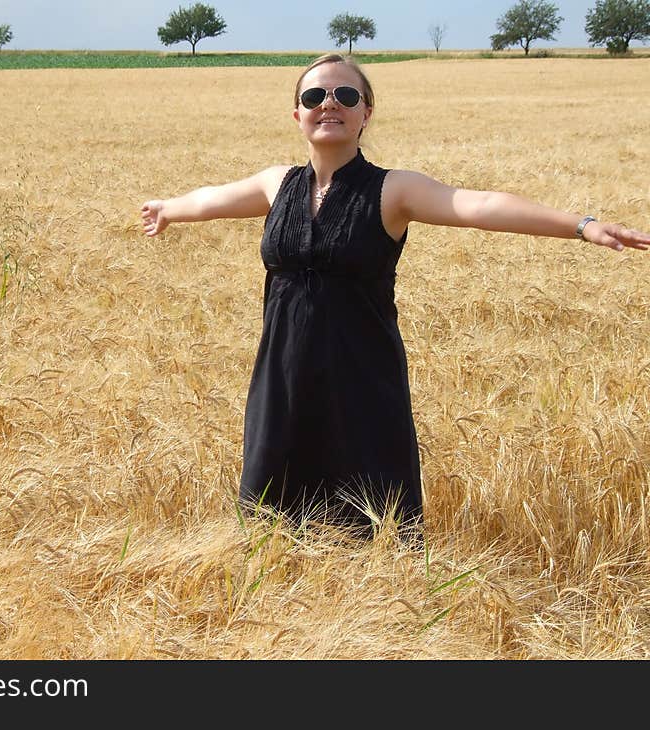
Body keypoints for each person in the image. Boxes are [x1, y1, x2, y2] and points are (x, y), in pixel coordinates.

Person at [140, 53, 649, 535]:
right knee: (272, 521)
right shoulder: (277, 185)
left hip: (362, 380)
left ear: (366, 112)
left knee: (372, 519)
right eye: (315, 95)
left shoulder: (392, 190)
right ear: (297, 113)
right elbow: (211, 199)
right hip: (283, 378)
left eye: (345, 93)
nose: (329, 103)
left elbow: (479, 205)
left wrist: (581, 226)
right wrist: (169, 207)